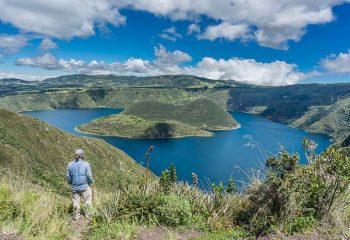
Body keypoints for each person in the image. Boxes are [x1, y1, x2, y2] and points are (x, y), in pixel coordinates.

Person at [66, 149, 93, 220]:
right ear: (82, 156)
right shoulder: (86, 164)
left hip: (75, 187)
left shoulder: (70, 164)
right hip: (85, 186)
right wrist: (90, 184)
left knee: (76, 202)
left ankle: (76, 216)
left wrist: (71, 183)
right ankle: (88, 216)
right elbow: (89, 176)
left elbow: (68, 176)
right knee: (87, 201)